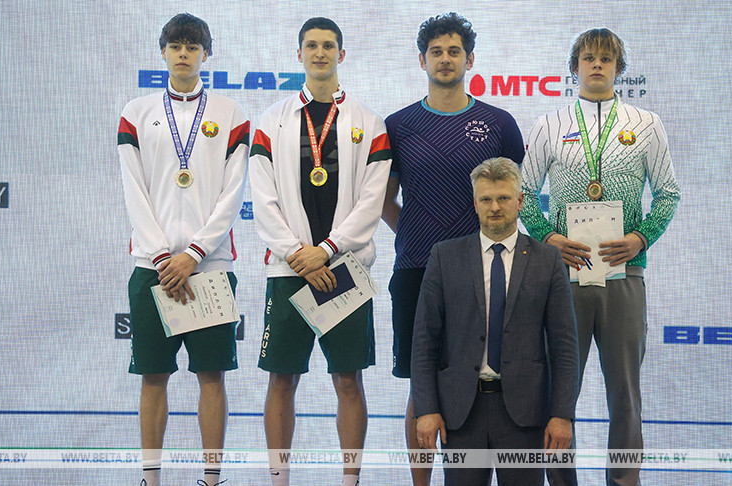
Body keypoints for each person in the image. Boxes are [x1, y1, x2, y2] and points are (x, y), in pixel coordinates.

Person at [519, 28, 681, 486]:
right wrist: (548, 237)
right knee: (557, 391)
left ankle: (624, 481)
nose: (596, 65)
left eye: (606, 59)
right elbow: (525, 194)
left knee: (625, 392)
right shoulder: (549, 124)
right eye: (587, 57)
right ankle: (559, 480)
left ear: (618, 68)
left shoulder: (646, 123)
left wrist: (641, 238)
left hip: (624, 274)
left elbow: (668, 194)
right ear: (574, 67)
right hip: (563, 276)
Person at [381, 13, 525, 485]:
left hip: (486, 272)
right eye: (436, 52)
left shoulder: (498, 122)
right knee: (422, 391)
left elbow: (514, 196)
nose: (445, 59)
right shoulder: (398, 125)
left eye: (454, 51)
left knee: (483, 383)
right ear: (422, 59)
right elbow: (383, 199)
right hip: (417, 269)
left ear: (470, 59)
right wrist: (421, 234)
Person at [249, 17, 391, 486]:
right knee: (281, 380)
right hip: (288, 271)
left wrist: (326, 250)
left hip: (344, 269)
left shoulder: (368, 122)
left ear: (342, 55)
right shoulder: (272, 120)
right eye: (311, 45)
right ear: (299, 55)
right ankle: (279, 479)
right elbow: (263, 199)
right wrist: (297, 253)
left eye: (329, 45)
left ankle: (349, 480)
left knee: (348, 380)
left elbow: (373, 201)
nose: (320, 53)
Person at [117, 12, 249, 486]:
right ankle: (150, 479)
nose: (184, 53)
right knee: (153, 378)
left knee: (211, 376)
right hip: (151, 268)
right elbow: (134, 191)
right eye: (175, 45)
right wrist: (160, 258)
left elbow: (232, 195)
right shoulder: (136, 112)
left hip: (209, 266)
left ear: (206, 54)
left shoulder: (231, 114)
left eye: (193, 46)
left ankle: (211, 479)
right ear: (163, 51)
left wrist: (193, 253)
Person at [412, 157, 579, 486]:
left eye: (503, 198)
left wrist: (562, 414)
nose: (495, 207)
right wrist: (425, 409)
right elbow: (424, 341)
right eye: (486, 199)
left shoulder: (548, 260)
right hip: (461, 413)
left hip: (526, 415)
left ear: (519, 201)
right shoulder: (445, 256)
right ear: (474, 203)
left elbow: (565, 346)